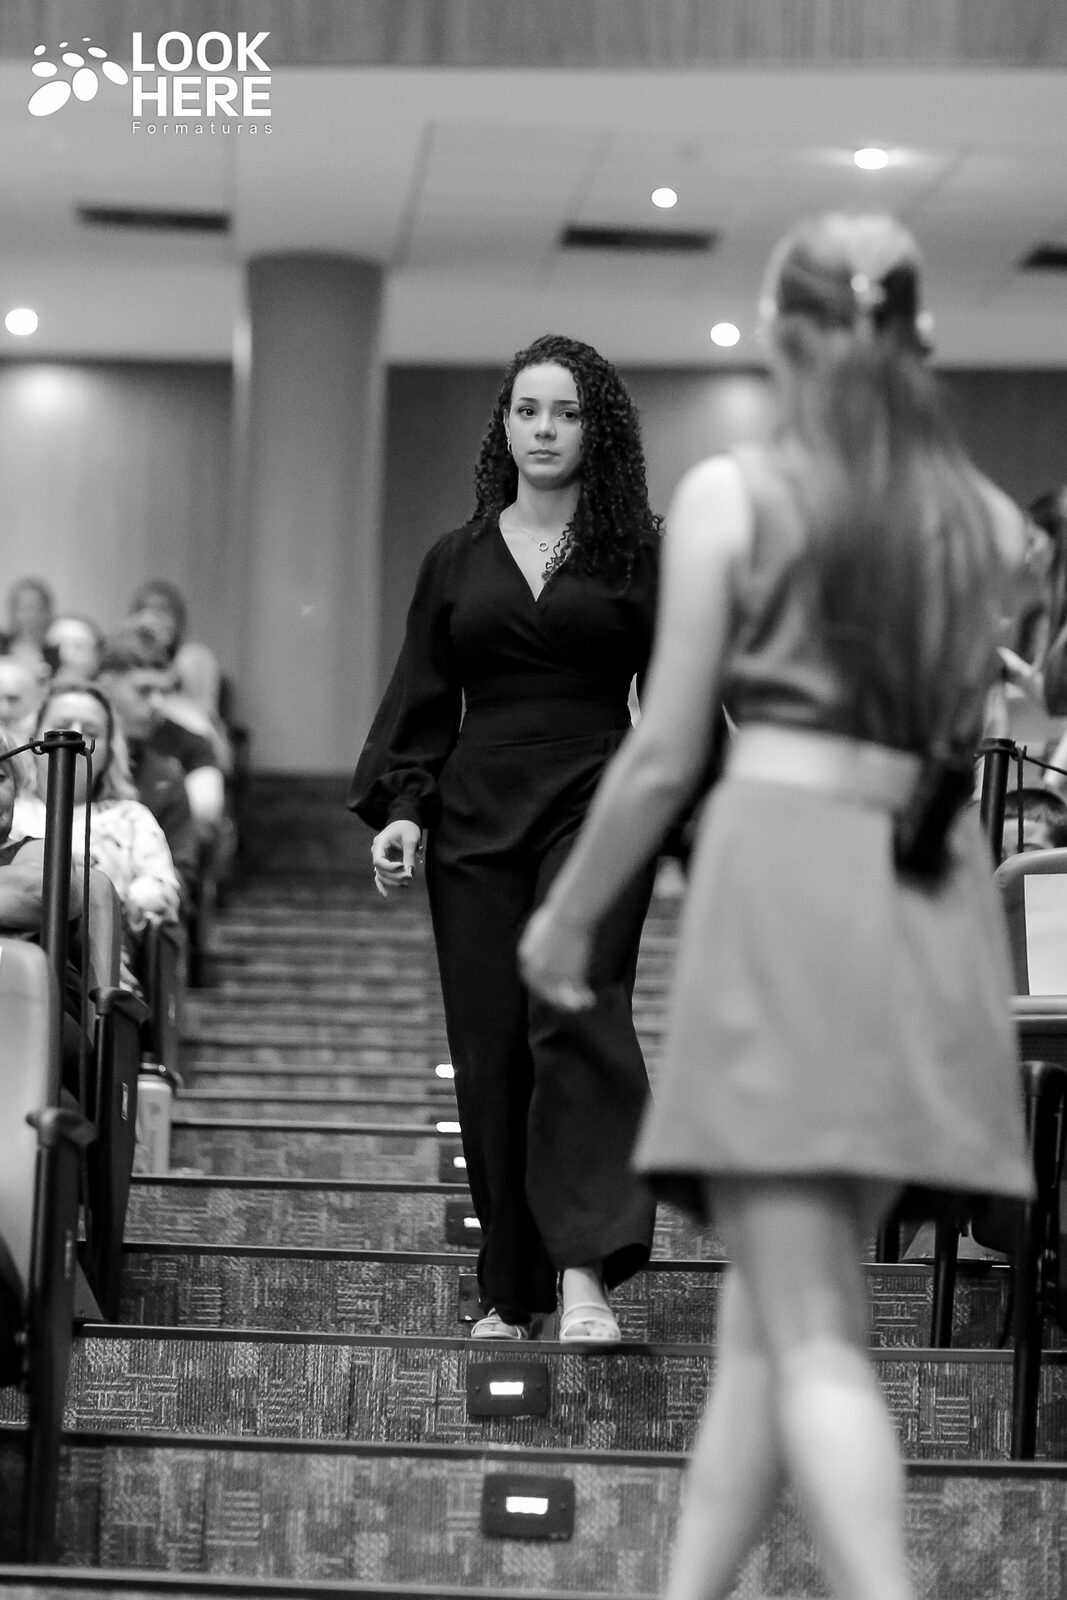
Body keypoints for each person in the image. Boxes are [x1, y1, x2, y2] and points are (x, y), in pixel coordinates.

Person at [519, 215, 1034, 1600]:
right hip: (925, 897)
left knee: (809, 1335)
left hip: (789, 887)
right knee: (768, 1317)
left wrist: (565, 913)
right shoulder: (990, 526)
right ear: (915, 335)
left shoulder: (733, 500)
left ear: (781, 337)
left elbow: (662, 751)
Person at [349, 333, 662, 1343]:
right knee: (488, 1050)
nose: (544, 430)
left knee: (572, 1019)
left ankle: (582, 1274)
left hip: (598, 802)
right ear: (505, 427)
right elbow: (422, 698)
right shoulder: (455, 557)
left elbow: (678, 700)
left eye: (565, 412)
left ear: (596, 431)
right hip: (476, 816)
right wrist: (404, 807)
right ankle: (507, 1289)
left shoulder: (638, 555)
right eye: (527, 410)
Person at [15, 681, 181, 956]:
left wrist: (114, 901)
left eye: (91, 732)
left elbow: (162, 891)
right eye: (62, 726)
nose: (74, 736)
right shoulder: (10, 811)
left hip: (104, 956)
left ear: (109, 751)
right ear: (34, 740)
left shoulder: (132, 818)